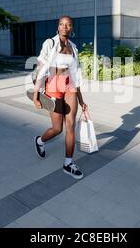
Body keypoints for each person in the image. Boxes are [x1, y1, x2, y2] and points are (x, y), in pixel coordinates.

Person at [33, 16, 88, 179]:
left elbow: (75, 75)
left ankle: (68, 163)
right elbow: (41, 69)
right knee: (58, 129)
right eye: (62, 24)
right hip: (53, 87)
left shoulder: (73, 47)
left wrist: (81, 100)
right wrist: (36, 95)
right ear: (58, 27)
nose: (65, 27)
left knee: (70, 126)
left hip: (70, 86)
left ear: (72, 28)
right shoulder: (50, 43)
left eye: (68, 25)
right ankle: (40, 141)